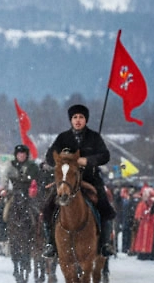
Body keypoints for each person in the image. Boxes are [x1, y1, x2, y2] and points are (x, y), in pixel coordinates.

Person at [41, 104, 115, 258]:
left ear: (86, 120)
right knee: (47, 207)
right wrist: (63, 160)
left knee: (106, 208)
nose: (78, 120)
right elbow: (50, 156)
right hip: (67, 181)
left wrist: (87, 160)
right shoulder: (63, 138)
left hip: (90, 179)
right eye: (75, 117)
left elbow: (105, 156)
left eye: (81, 117)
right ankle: (50, 243)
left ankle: (105, 243)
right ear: (71, 120)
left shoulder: (94, 137)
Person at [0, 144, 39, 239]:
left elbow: (37, 180)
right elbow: (4, 180)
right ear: (16, 155)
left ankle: (38, 233)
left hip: (29, 194)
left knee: (37, 212)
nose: (21, 156)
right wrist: (4, 189)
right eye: (19, 154)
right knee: (1, 211)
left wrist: (33, 189)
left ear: (26, 155)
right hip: (14, 193)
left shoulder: (32, 166)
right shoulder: (10, 166)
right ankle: (3, 235)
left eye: (23, 154)